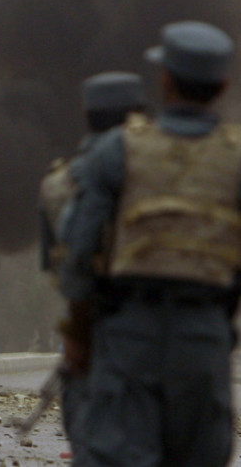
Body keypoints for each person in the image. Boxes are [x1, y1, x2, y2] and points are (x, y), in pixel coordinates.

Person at [59, 20, 241, 466]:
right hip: (203, 334)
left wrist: (79, 331)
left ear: (163, 80)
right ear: (222, 85)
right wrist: (226, 301)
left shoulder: (117, 150)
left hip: (128, 332)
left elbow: (80, 248)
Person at [38, 71, 146, 459]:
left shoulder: (57, 184)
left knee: (91, 441)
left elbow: (61, 267)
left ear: (86, 113)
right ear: (138, 115)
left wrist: (79, 328)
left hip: (95, 324)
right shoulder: (165, 173)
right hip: (172, 327)